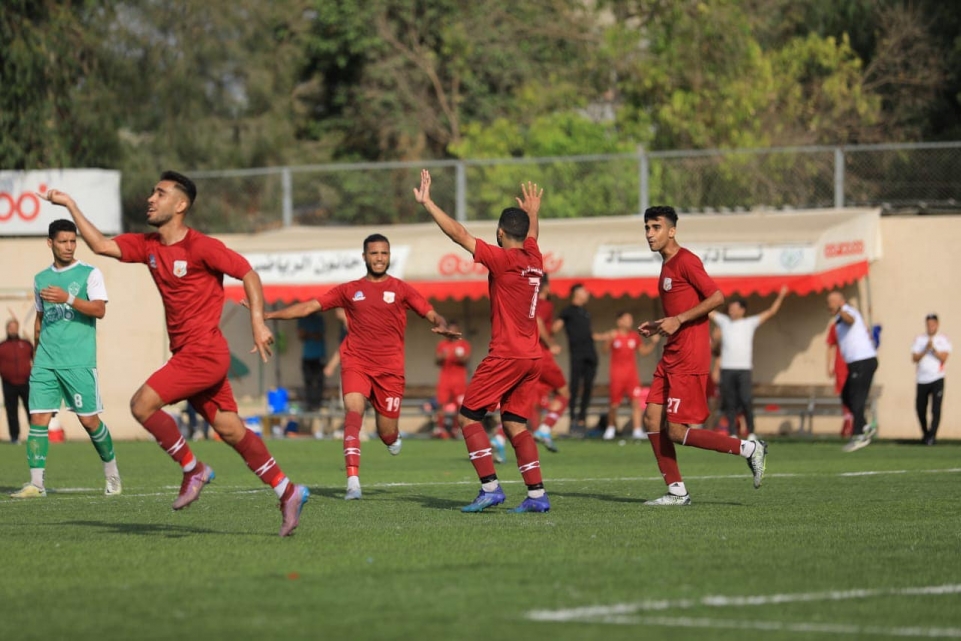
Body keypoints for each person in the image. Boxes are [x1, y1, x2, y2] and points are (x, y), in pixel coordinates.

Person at [40, 172, 309, 537]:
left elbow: (248, 273)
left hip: (203, 354)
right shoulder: (149, 245)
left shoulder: (202, 247)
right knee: (230, 429)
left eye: (161, 193)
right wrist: (71, 205)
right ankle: (288, 491)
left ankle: (193, 468)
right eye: (152, 192)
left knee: (141, 405)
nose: (151, 198)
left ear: (181, 205)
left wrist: (258, 322)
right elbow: (101, 245)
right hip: (190, 353)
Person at [262, 233, 454, 500]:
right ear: (364, 257)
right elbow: (309, 307)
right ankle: (353, 481)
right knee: (353, 413)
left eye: (384, 253)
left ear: (389, 256)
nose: (379, 258)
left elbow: (430, 312)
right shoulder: (349, 290)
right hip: (357, 362)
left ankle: (392, 438)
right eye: (374, 253)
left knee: (387, 434)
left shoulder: (401, 289)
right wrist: (268, 314)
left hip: (390, 370)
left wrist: (442, 324)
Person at [415, 170, 550, 513]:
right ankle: (537, 496)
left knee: (468, 418)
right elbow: (532, 235)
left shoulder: (502, 260)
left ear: (500, 233)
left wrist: (428, 203)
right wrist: (534, 213)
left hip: (507, 354)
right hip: (533, 357)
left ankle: (490, 488)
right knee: (515, 424)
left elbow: (459, 234)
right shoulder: (535, 259)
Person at [637, 206, 767, 506]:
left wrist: (678, 320)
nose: (649, 234)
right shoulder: (666, 265)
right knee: (651, 418)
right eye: (646, 228)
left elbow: (717, 297)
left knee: (676, 431)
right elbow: (679, 311)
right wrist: (660, 325)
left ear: (672, 231)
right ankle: (677, 492)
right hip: (671, 353)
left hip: (689, 356)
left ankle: (749, 449)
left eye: (656, 227)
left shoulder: (686, 260)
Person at [10, 219, 122, 498]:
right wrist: (36, 353)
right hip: (46, 361)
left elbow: (99, 310)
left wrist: (68, 298)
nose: (69, 246)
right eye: (63, 241)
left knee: (89, 422)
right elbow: (40, 319)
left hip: (78, 361)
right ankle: (36, 484)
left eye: (73, 241)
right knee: (38, 418)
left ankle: (112, 475)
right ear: (50, 243)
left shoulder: (89, 273)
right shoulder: (40, 278)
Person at [709, 286, 788, 439]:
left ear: (742, 310)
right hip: (727, 369)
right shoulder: (724, 322)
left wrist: (781, 296)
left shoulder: (749, 323)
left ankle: (751, 432)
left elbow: (771, 312)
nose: (731, 311)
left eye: (734, 309)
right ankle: (732, 432)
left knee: (746, 400)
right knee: (730, 402)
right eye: (730, 309)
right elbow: (709, 311)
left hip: (743, 369)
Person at [826, 291, 879, 453]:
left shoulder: (848, 311)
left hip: (863, 361)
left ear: (840, 302)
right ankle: (865, 427)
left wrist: (840, 309)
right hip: (855, 364)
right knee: (846, 396)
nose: (828, 306)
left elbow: (850, 319)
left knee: (857, 398)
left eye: (830, 302)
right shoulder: (838, 318)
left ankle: (858, 435)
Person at [595, 311, 660, 441]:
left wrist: (653, 343)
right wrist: (609, 339)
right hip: (617, 376)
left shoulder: (634, 336)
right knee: (614, 405)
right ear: (619, 321)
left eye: (630, 319)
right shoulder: (614, 335)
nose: (630, 321)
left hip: (632, 376)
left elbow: (643, 352)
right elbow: (604, 351)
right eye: (626, 319)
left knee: (636, 403)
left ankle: (637, 430)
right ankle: (610, 429)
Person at [530, 274, 570, 453]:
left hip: (529, 357)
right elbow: (538, 322)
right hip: (543, 356)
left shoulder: (528, 304)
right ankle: (545, 429)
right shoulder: (544, 303)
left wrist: (552, 329)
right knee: (564, 393)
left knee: (534, 400)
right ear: (545, 286)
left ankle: (500, 437)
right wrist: (551, 343)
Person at [552, 283, 598, 433]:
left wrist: (606, 336)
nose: (587, 294)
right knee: (574, 386)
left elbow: (589, 334)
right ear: (576, 293)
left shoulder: (586, 313)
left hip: (591, 353)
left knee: (588, 387)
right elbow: (554, 328)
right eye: (584, 291)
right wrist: (552, 344)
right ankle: (572, 419)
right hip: (577, 354)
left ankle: (582, 418)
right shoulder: (567, 311)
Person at [912, 313, 951, 445]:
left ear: (937, 325)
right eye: (928, 325)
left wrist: (933, 350)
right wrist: (925, 349)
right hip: (922, 379)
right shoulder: (919, 339)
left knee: (936, 409)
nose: (930, 327)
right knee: (920, 409)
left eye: (933, 325)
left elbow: (944, 358)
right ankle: (925, 433)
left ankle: (932, 436)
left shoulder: (943, 339)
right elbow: (914, 358)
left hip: (937, 378)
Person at [434, 319, 471, 439]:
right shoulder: (442, 345)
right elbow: (437, 360)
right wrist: (442, 357)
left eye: (454, 330)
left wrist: (458, 356)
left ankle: (456, 429)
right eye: (449, 330)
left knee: (459, 405)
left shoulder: (464, 344)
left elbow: (466, 359)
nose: (451, 332)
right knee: (441, 404)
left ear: (458, 331)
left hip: (459, 380)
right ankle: (440, 428)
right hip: (445, 379)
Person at [0, 318, 32, 444]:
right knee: (11, 411)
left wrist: (33, 342)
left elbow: (36, 356)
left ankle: (35, 435)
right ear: (7, 329)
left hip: (26, 382)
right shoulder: (2, 346)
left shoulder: (26, 344)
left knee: (31, 409)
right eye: (11, 328)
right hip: (8, 384)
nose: (13, 330)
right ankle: (14, 437)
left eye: (15, 327)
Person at [826, 322, 854, 438]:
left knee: (854, 395)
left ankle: (851, 425)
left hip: (855, 365)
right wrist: (829, 365)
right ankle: (848, 424)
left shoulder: (857, 326)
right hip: (841, 366)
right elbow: (830, 345)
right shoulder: (835, 327)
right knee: (845, 395)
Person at [297, 312, 327, 411]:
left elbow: (319, 335)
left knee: (319, 381)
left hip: (319, 355)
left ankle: (317, 404)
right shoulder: (302, 319)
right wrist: (311, 334)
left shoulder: (319, 319)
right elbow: (301, 335)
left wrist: (308, 334)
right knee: (308, 381)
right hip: (307, 356)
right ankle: (310, 404)